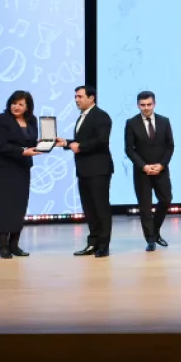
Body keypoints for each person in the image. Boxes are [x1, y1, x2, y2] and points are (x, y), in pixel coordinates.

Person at [56, 86, 114, 257]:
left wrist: (79, 146)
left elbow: (101, 140)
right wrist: (66, 143)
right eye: (75, 96)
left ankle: (103, 245)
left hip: (98, 170)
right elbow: (82, 140)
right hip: (84, 170)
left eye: (80, 96)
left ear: (91, 98)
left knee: (101, 208)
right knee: (89, 209)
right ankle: (92, 243)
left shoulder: (101, 116)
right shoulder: (82, 116)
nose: (76, 100)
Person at [0, 91, 40, 259]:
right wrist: (22, 151)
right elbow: (0, 145)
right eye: (14, 103)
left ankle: (14, 244)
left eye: (20, 104)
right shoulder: (1, 119)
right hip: (2, 168)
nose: (16, 107)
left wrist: (42, 144)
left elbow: (31, 142)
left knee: (20, 206)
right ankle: (2, 245)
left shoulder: (32, 120)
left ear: (27, 107)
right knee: (4, 206)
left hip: (22, 168)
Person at [124, 90, 175, 251]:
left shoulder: (164, 121)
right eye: (143, 105)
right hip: (142, 172)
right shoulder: (131, 123)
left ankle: (155, 230)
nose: (146, 108)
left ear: (154, 104)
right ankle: (151, 239)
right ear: (138, 105)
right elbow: (129, 149)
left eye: (149, 104)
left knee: (166, 200)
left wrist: (162, 165)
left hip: (161, 169)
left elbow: (170, 146)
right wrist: (144, 166)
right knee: (145, 206)